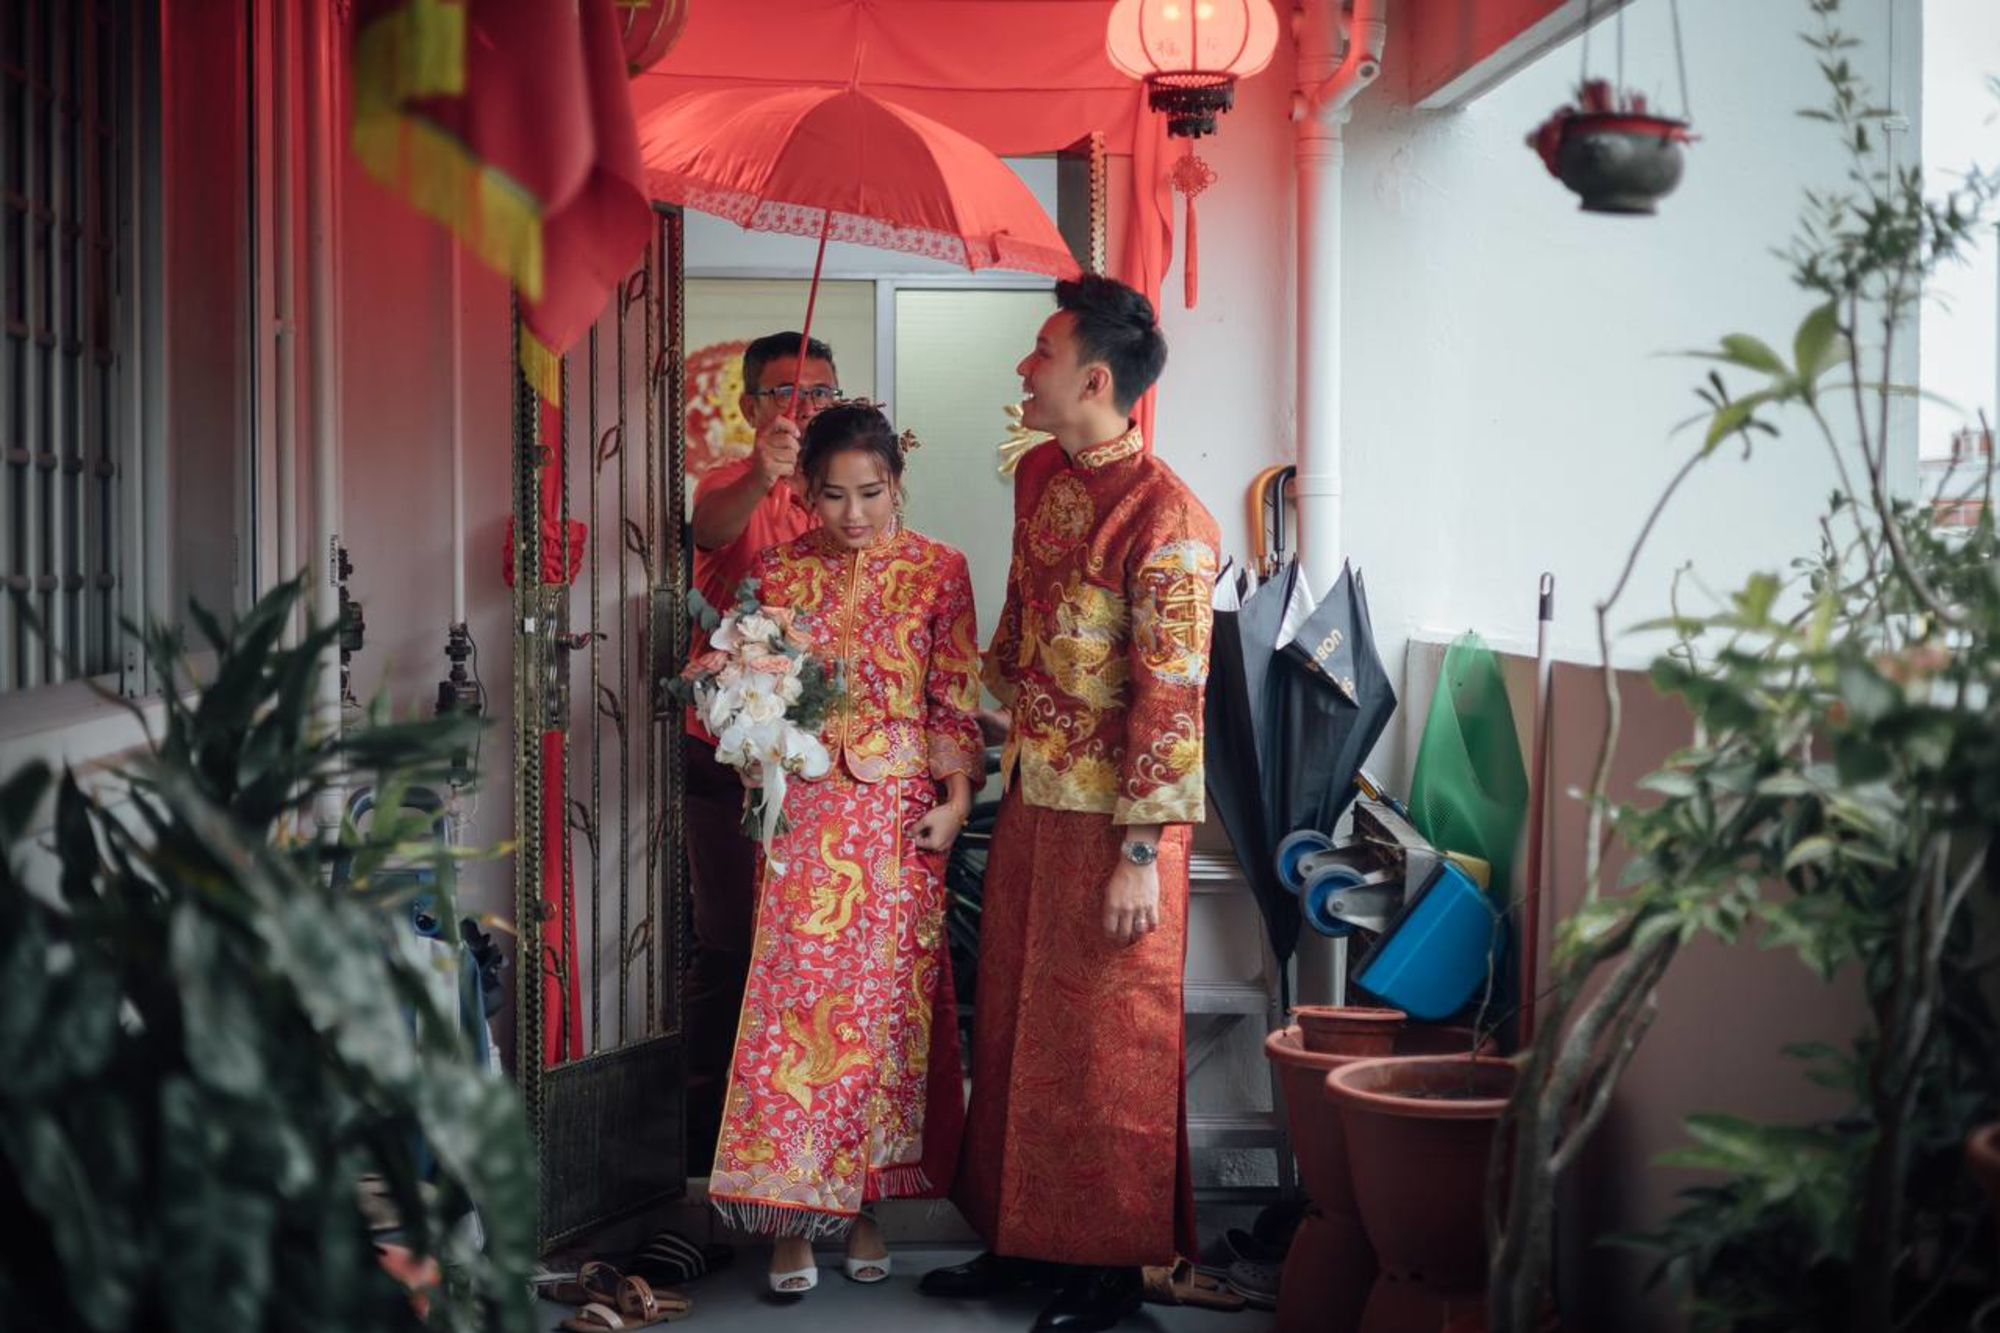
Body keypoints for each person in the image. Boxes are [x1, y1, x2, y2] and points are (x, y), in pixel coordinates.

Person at [923, 276, 1219, 1333]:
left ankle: (1102, 1273)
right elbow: (1024, 619)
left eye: (1038, 351)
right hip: (1034, 801)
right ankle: (1016, 1240)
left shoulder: (1171, 520)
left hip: (1118, 831)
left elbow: (1170, 695)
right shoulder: (1042, 472)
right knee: (1009, 1020)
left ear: (1094, 380)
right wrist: (963, 709)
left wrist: (1141, 850)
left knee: (1106, 1041)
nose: (1022, 366)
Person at [707, 402, 980, 1297]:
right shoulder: (778, 572)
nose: (854, 514)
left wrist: (959, 798)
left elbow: (952, 696)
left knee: (890, 1022)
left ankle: (864, 1207)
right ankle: (793, 1219)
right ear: (805, 493)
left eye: (871, 493)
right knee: (793, 1014)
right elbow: (755, 691)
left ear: (897, 483)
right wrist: (753, 760)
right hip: (802, 816)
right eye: (833, 495)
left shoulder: (941, 570)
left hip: (901, 821)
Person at [683, 332, 841, 1162]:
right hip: (726, 755)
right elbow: (708, 529)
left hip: (824, 756)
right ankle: (706, 1141)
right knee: (731, 940)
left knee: (809, 944)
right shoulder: (731, 481)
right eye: (786, 391)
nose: (804, 407)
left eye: (820, 391)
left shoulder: (846, 493)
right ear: (749, 407)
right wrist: (762, 473)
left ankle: (795, 1131)